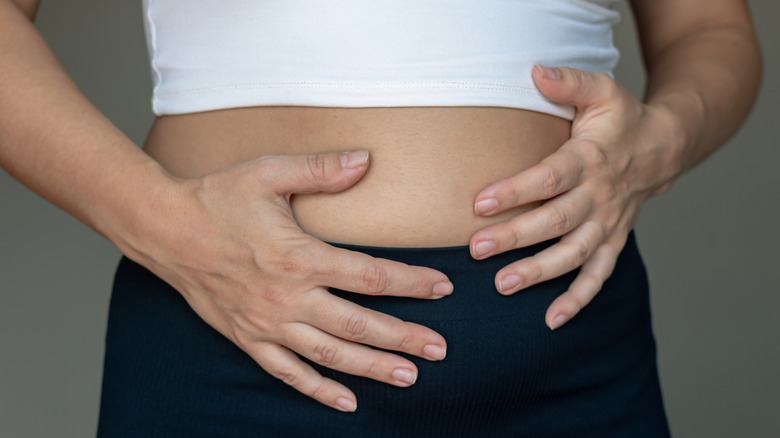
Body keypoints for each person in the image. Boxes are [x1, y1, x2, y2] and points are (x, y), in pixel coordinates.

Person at [0, 0, 761, 436]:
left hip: (572, 354)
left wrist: (660, 141)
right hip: (238, 352)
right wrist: (169, 227)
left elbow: (710, 30)